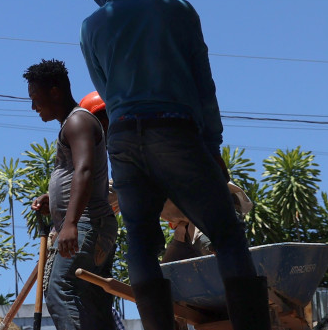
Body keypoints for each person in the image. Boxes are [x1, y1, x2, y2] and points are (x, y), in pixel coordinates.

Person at [79, 0, 280, 330]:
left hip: (124, 139)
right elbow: (203, 83)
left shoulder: (92, 27)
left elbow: (107, 92)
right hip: (175, 130)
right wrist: (213, 145)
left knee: (140, 241)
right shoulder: (178, 10)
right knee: (226, 234)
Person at [83, 91, 253, 262]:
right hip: (187, 226)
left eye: (97, 127)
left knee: (216, 250)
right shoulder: (129, 156)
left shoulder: (144, 146)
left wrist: (77, 208)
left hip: (213, 207)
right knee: (170, 274)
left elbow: (114, 190)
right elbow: (111, 194)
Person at [25, 59, 120, 330]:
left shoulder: (77, 122)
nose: (33, 107)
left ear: (55, 92)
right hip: (94, 223)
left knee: (58, 289)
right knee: (92, 298)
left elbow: (84, 170)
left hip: (88, 224)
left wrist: (70, 223)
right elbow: (77, 173)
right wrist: (52, 199)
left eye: (36, 98)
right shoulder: (74, 123)